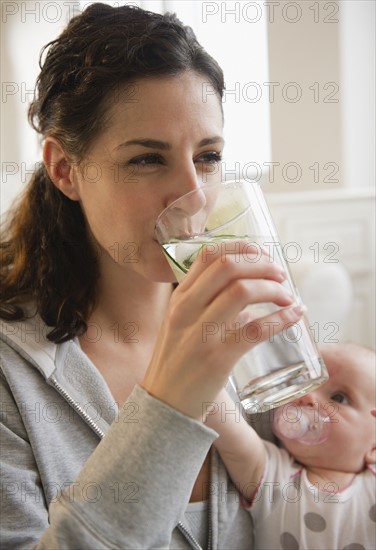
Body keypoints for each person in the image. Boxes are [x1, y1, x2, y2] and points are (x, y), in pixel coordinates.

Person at [0, 3, 305, 548]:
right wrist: (169, 403)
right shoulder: (11, 375)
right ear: (66, 169)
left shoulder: (243, 322)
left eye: (208, 156)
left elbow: (310, 502)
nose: (191, 197)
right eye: (147, 159)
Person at [205, 343, 376, 550]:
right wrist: (205, 365)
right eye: (303, 382)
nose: (307, 396)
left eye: (338, 397)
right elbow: (223, 419)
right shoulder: (273, 474)